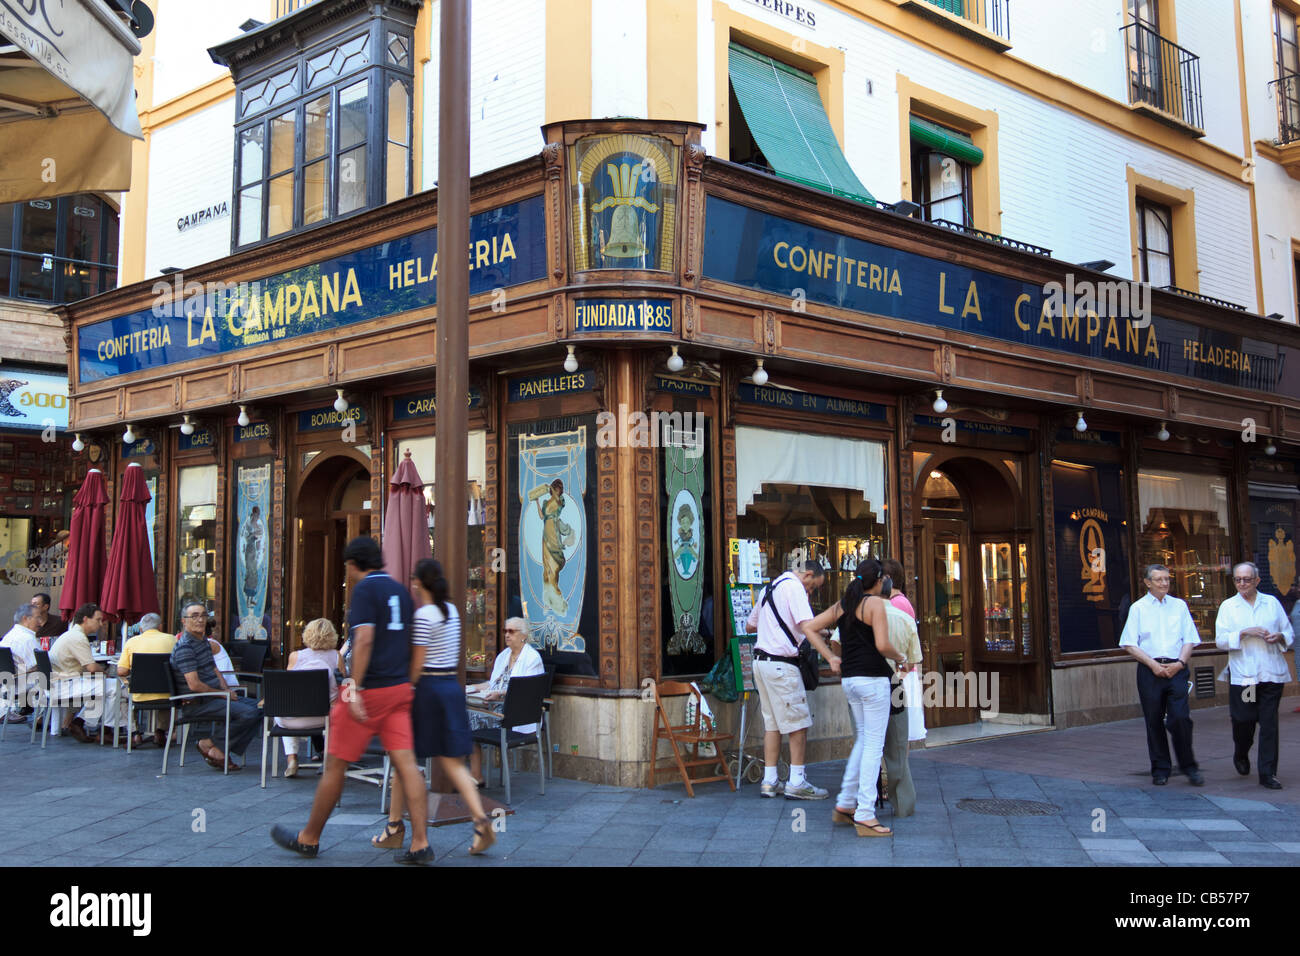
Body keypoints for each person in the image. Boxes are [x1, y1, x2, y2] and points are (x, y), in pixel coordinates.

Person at [271, 536, 431, 863]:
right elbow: (418, 643)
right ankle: (421, 843)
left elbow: (365, 640)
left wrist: (354, 686)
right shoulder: (402, 591)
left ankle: (309, 837)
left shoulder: (364, 591)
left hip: (369, 690)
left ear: (353, 564)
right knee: (406, 765)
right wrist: (409, 682)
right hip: (398, 689)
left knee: (335, 765)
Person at [373, 559, 495, 855]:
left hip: (427, 690)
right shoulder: (452, 612)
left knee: (403, 760)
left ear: (418, 583)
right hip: (450, 687)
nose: (411, 584)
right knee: (453, 762)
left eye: (414, 580)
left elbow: (416, 666)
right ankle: (480, 820)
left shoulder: (423, 616)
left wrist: (403, 689)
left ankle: (393, 826)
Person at [746, 560, 841, 800]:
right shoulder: (794, 588)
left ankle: (769, 781)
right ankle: (797, 781)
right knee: (798, 724)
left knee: (773, 724)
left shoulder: (770, 587)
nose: (810, 593)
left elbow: (749, 625)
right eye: (813, 587)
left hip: (760, 663)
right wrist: (829, 654)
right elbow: (807, 627)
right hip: (782, 666)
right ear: (807, 574)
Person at [1119, 564, 1204, 786]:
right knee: (1154, 721)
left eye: (1167, 579)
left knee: (1180, 719)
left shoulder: (1179, 606)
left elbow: (1189, 639)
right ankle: (1160, 769)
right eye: (1159, 580)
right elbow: (1129, 643)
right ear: (1147, 582)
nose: (1164, 583)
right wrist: (1152, 665)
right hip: (1150, 670)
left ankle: (1189, 766)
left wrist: (1180, 663)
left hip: (1177, 669)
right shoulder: (1138, 608)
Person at [1215, 561, 1294, 790]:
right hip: (1246, 677)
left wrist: (1278, 636)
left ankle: (1268, 773)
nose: (1242, 584)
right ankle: (1241, 752)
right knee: (1245, 719)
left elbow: (1287, 632)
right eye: (1238, 579)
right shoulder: (1229, 607)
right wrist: (1243, 633)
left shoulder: (1271, 603)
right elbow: (1220, 640)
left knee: (1269, 724)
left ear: (1257, 581)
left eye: (1247, 579)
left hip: (1271, 674)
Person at [170, 602, 261, 771]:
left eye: (203, 615)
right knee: (249, 713)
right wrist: (222, 694)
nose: (200, 620)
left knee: (260, 708)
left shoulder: (203, 641)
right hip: (197, 703)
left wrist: (226, 690)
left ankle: (213, 745)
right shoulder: (185, 648)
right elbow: (194, 684)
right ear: (184, 621)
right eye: (194, 616)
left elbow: (214, 668)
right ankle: (216, 748)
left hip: (213, 698)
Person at [467, 616, 545, 786]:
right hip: (495, 706)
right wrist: (471, 689)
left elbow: (526, 691)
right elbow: (492, 683)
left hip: (514, 714)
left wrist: (499, 694)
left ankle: (473, 775)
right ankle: (470, 774)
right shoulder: (504, 656)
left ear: (523, 635)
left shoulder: (532, 658)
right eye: (505, 631)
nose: (507, 635)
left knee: (467, 719)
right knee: (463, 714)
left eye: (511, 631)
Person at [880, 573, 923, 816]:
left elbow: (837, 641)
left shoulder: (860, 614)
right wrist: (899, 661)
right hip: (895, 682)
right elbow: (912, 661)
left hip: (865, 685)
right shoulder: (901, 617)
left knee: (869, 742)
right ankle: (901, 800)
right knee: (897, 741)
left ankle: (861, 800)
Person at [276, 618, 339, 778]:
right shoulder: (336, 657)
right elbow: (344, 686)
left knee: (283, 708)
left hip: (291, 720)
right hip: (323, 719)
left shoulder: (295, 657)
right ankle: (329, 754)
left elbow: (286, 688)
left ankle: (292, 758)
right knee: (337, 708)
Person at [49, 603, 109, 743]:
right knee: (112, 688)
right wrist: (105, 673)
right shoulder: (78, 637)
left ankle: (78, 722)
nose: (101, 624)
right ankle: (89, 724)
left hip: (60, 682)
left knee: (104, 685)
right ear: (86, 619)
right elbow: (92, 668)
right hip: (64, 685)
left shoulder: (71, 634)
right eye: (98, 619)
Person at [115, 611, 176, 747]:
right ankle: (160, 732)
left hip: (139, 695)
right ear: (160, 627)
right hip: (167, 694)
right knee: (168, 687)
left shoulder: (132, 642)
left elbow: (121, 671)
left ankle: (135, 734)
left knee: (121, 697)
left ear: (141, 629)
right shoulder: (172, 639)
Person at [1, 604, 41, 723]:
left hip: (9, 681)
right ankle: (47, 719)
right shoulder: (27, 638)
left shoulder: (10, 635)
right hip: (23, 682)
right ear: (26, 619)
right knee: (64, 679)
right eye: (37, 618)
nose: (40, 622)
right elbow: (37, 665)